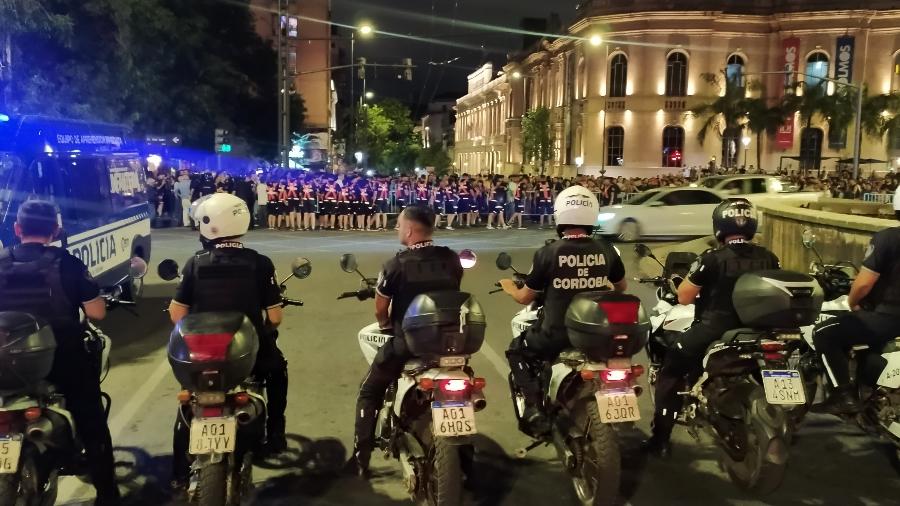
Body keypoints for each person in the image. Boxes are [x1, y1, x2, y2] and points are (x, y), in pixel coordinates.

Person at [0, 200, 120, 504]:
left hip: (4, 360)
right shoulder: (67, 263)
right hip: (59, 358)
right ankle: (107, 494)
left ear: (17, 229)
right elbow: (97, 312)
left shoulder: (1, 261)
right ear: (55, 230)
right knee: (91, 420)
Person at [167, 194, 288, 487]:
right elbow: (275, 318)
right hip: (246, 352)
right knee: (277, 371)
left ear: (210, 225)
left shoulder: (196, 263)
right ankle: (275, 432)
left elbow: (176, 314)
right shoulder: (260, 263)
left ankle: (180, 474)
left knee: (189, 400)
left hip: (202, 354)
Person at [643, 198, 780, 458]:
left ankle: (659, 440)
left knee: (670, 371)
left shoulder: (712, 259)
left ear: (720, 225)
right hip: (759, 330)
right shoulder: (769, 258)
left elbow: (684, 296)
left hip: (714, 329)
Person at [345, 205, 464, 477]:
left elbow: (380, 309)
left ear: (410, 230)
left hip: (409, 343)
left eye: (399, 224)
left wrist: (386, 324)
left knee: (369, 390)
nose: (397, 229)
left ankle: (361, 457)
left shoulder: (396, 265)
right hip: (450, 342)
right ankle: (465, 458)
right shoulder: (451, 259)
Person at [500, 186, 627, 435]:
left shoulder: (549, 252)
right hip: (599, 332)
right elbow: (621, 287)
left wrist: (509, 288)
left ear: (560, 215)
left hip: (557, 335)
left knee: (517, 350)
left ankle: (534, 407)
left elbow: (525, 296)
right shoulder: (606, 249)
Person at [812, 186, 900, 415]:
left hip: (888, 316)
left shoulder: (888, 239)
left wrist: (853, 302)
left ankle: (843, 396)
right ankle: (869, 389)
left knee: (824, 332)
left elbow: (863, 284)